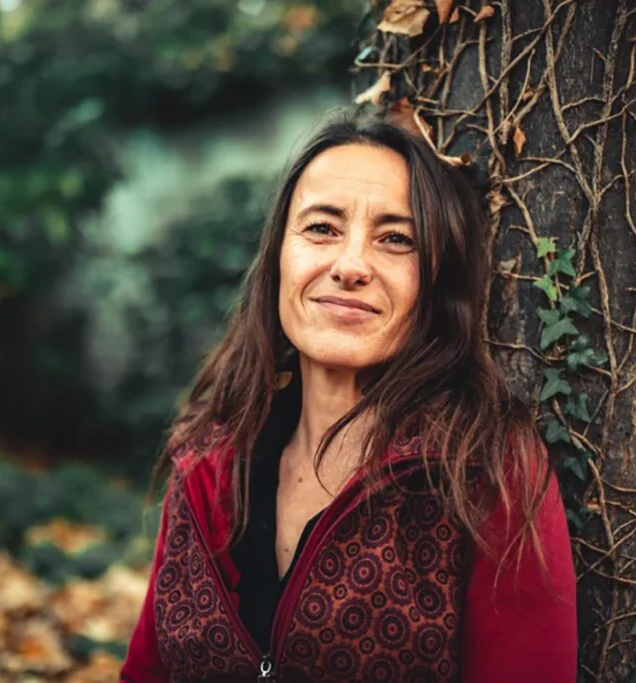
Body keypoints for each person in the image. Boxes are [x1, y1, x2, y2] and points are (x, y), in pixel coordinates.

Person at [120, 109, 577, 683]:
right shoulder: (206, 461)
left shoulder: (486, 468)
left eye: (395, 239)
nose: (352, 266)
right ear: (279, 259)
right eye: (322, 228)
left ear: (438, 284)